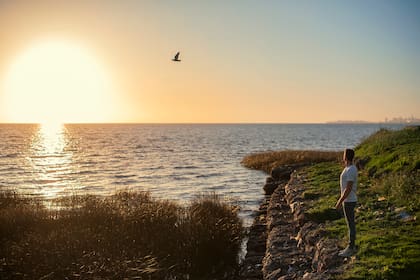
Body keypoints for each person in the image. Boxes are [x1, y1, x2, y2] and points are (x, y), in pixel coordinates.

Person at [335, 148, 358, 257]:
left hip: (349, 200)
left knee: (351, 224)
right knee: (350, 223)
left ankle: (351, 247)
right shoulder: (348, 168)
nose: (342, 156)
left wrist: (340, 201)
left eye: (344, 154)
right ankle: (350, 246)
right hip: (348, 200)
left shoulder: (351, 169)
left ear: (346, 156)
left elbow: (348, 188)